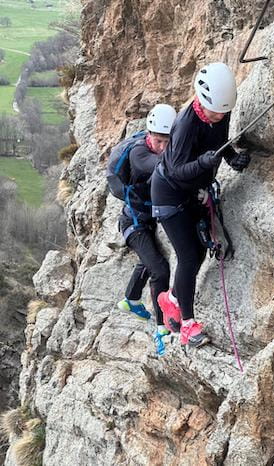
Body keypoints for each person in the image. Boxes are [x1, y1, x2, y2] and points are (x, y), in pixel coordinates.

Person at [151, 62, 250, 347]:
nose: (219, 116)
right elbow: (176, 170)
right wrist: (202, 163)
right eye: (214, 111)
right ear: (202, 101)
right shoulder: (185, 125)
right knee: (189, 257)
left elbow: (219, 141)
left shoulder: (220, 110)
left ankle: (170, 299)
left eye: (223, 111)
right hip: (168, 196)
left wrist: (231, 157)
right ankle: (187, 325)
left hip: (192, 189)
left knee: (197, 251)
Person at [112, 103, 177, 356]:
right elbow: (161, 165)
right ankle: (161, 330)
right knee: (159, 269)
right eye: (158, 140)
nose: (161, 146)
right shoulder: (139, 154)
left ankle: (130, 299)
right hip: (134, 224)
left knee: (147, 261)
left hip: (144, 221)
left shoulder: (157, 146)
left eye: (166, 142)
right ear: (149, 134)